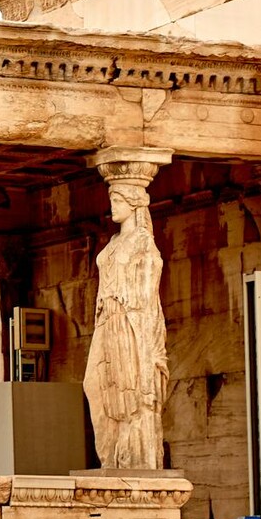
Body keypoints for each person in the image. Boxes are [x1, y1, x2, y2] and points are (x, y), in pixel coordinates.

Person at [83, 177, 168, 469]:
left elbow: (148, 286)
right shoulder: (114, 241)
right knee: (94, 385)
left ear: (133, 206)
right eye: (112, 202)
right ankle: (112, 457)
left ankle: (134, 459)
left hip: (130, 323)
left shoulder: (143, 242)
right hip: (108, 321)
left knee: (132, 391)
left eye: (117, 202)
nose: (112, 208)